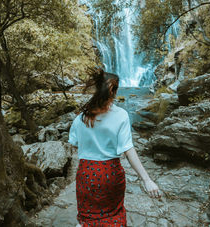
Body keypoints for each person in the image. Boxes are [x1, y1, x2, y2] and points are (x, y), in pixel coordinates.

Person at [68, 67, 162, 227]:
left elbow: (73, 145)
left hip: (86, 173)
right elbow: (128, 149)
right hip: (109, 173)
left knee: (88, 217)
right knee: (113, 215)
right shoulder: (121, 115)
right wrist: (147, 180)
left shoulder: (81, 117)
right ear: (114, 91)